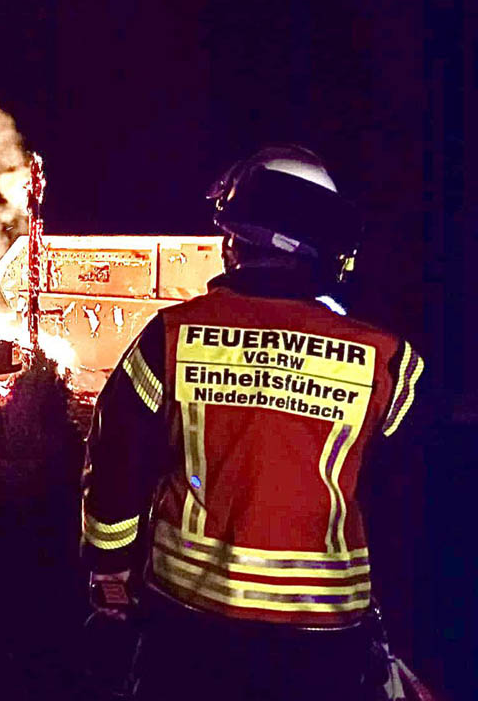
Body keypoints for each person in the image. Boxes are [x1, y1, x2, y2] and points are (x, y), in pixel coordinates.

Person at [80, 146, 427, 700]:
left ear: (235, 241)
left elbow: (117, 462)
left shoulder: (170, 335)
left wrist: (109, 568)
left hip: (189, 620)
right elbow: (410, 498)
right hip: (324, 637)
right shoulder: (387, 358)